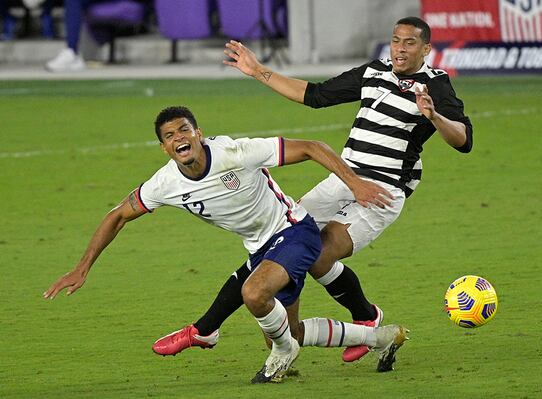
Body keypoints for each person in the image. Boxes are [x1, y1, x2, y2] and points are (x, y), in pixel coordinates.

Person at [154, 16, 472, 367]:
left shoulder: (435, 86)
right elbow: (316, 95)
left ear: (426, 48)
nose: (399, 48)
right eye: (395, 40)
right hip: (344, 176)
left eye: (409, 42)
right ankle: (258, 333)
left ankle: (365, 317)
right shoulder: (375, 72)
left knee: (318, 254)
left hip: (383, 188)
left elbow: (463, 140)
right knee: (286, 239)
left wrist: (434, 117)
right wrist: (258, 71)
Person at [44, 106, 408, 383]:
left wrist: (356, 184)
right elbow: (117, 215)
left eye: (184, 129)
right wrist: (83, 266)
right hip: (260, 248)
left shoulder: (235, 152)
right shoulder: (164, 184)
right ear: (164, 148)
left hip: (295, 230)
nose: (179, 137)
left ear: (198, 133)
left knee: (253, 294)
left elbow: (312, 147)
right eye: (170, 135)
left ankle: (248, 345)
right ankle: (380, 336)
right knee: (286, 330)